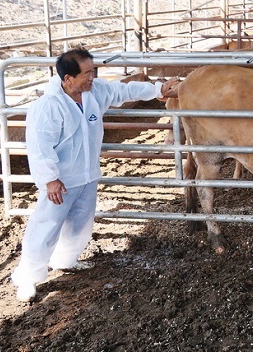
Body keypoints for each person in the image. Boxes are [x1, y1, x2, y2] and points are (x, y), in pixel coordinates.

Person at [10, 48, 179, 302]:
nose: (93, 77)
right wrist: (49, 180)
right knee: (46, 226)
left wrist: (157, 90)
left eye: (94, 71)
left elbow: (124, 91)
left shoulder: (93, 92)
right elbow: (39, 146)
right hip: (61, 180)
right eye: (87, 73)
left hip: (88, 174)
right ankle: (27, 277)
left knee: (81, 223)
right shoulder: (48, 106)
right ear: (68, 79)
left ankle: (65, 260)